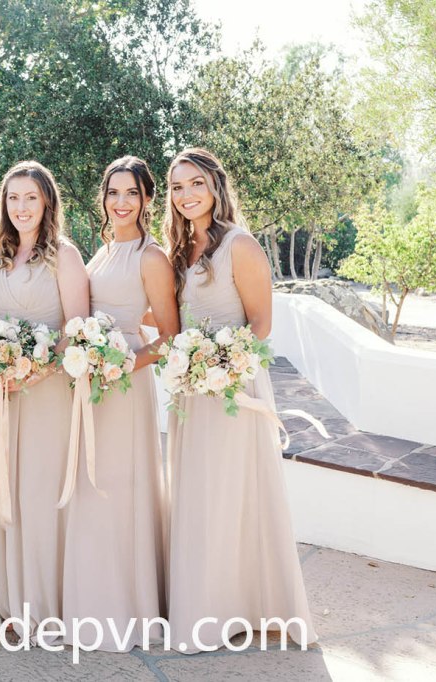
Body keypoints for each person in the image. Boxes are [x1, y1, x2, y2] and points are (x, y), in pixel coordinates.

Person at [162, 147, 317, 653]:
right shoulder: (179, 249)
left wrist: (218, 366)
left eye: (196, 184)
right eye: (177, 187)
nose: (186, 195)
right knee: (197, 494)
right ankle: (203, 604)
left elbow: (261, 324)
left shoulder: (240, 244)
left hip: (233, 386)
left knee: (230, 492)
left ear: (215, 186)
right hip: (192, 390)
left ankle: (236, 607)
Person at [61, 156, 179, 651]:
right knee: (93, 490)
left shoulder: (151, 256)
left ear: (148, 199)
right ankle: (92, 604)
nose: (121, 202)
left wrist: (120, 363)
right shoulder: (105, 250)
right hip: (92, 380)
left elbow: (169, 336)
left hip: (124, 383)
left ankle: (128, 610)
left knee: (120, 489)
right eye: (113, 192)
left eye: (132, 193)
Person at [0, 161, 89, 642]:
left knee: (41, 494)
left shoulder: (63, 255)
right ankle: (14, 602)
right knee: (10, 490)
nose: (21, 207)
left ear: (47, 202)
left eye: (31, 198)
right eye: (13, 198)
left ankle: (45, 605)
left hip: (47, 392)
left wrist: (32, 371)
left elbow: (77, 328)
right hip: (6, 396)